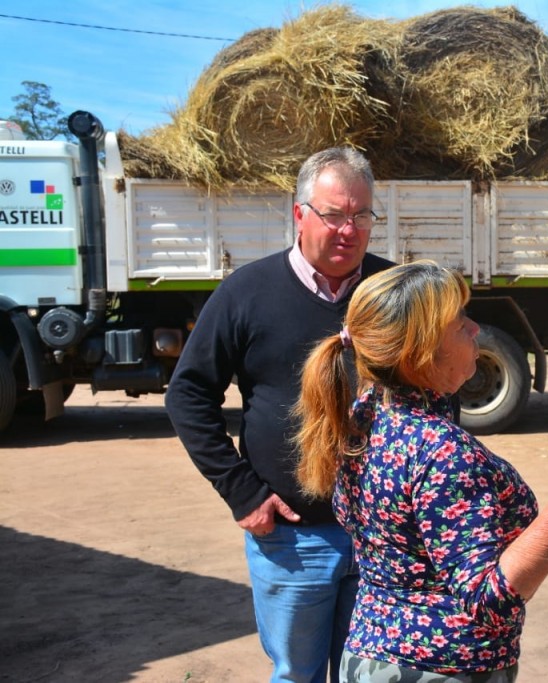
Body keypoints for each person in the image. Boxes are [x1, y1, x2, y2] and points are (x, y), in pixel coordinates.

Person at [292, 260, 548, 680]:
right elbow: (490, 600)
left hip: (370, 656)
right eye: (459, 324)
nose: (474, 330)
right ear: (422, 351)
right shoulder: (441, 451)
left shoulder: (366, 416)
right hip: (438, 668)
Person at [165, 146, 394, 681]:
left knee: (379, 675)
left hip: (381, 535)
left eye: (361, 215)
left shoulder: (391, 294)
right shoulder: (247, 292)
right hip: (293, 540)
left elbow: (437, 390)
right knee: (298, 673)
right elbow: (189, 393)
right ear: (299, 214)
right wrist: (242, 491)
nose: (349, 229)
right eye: (333, 214)